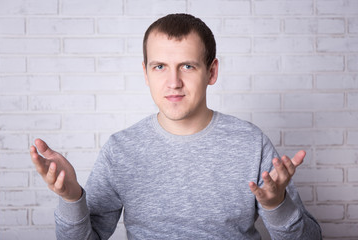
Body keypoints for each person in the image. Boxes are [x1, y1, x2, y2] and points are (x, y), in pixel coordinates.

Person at [30, 13, 322, 239]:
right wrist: (72, 199)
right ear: (145, 73)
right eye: (159, 67)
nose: (173, 82)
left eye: (187, 66)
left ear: (212, 71)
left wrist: (277, 205)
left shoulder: (251, 143)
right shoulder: (121, 149)